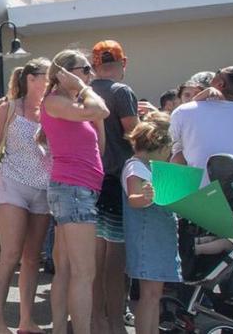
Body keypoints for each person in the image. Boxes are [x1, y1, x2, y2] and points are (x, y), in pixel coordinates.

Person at [38, 50, 107, 334]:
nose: (90, 74)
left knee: (68, 268)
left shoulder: (71, 105)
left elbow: (98, 144)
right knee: (83, 272)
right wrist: (84, 89)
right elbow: (102, 110)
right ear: (63, 73)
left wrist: (82, 92)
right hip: (73, 189)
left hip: (78, 188)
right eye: (85, 69)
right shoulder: (55, 101)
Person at [0, 58, 52, 334]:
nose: (52, 81)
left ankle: (27, 320)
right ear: (31, 78)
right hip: (11, 183)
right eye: (48, 76)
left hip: (43, 188)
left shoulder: (53, 110)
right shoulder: (9, 108)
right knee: (10, 254)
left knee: (32, 257)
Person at [87, 40, 140, 334]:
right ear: (123, 63)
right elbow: (135, 135)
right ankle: (116, 323)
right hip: (117, 180)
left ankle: (97, 320)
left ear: (95, 65)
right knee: (116, 261)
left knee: (93, 260)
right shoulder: (122, 92)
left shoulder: (85, 92)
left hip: (90, 180)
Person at [121, 112, 180, 334]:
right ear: (161, 146)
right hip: (148, 239)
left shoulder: (143, 166)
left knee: (154, 295)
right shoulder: (136, 167)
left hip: (156, 238)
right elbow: (134, 199)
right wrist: (146, 197)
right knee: (149, 296)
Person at [169, 66, 233, 170]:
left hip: (197, 185)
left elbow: (175, 156)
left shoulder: (183, 112)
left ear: (220, 84)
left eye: (218, 72)